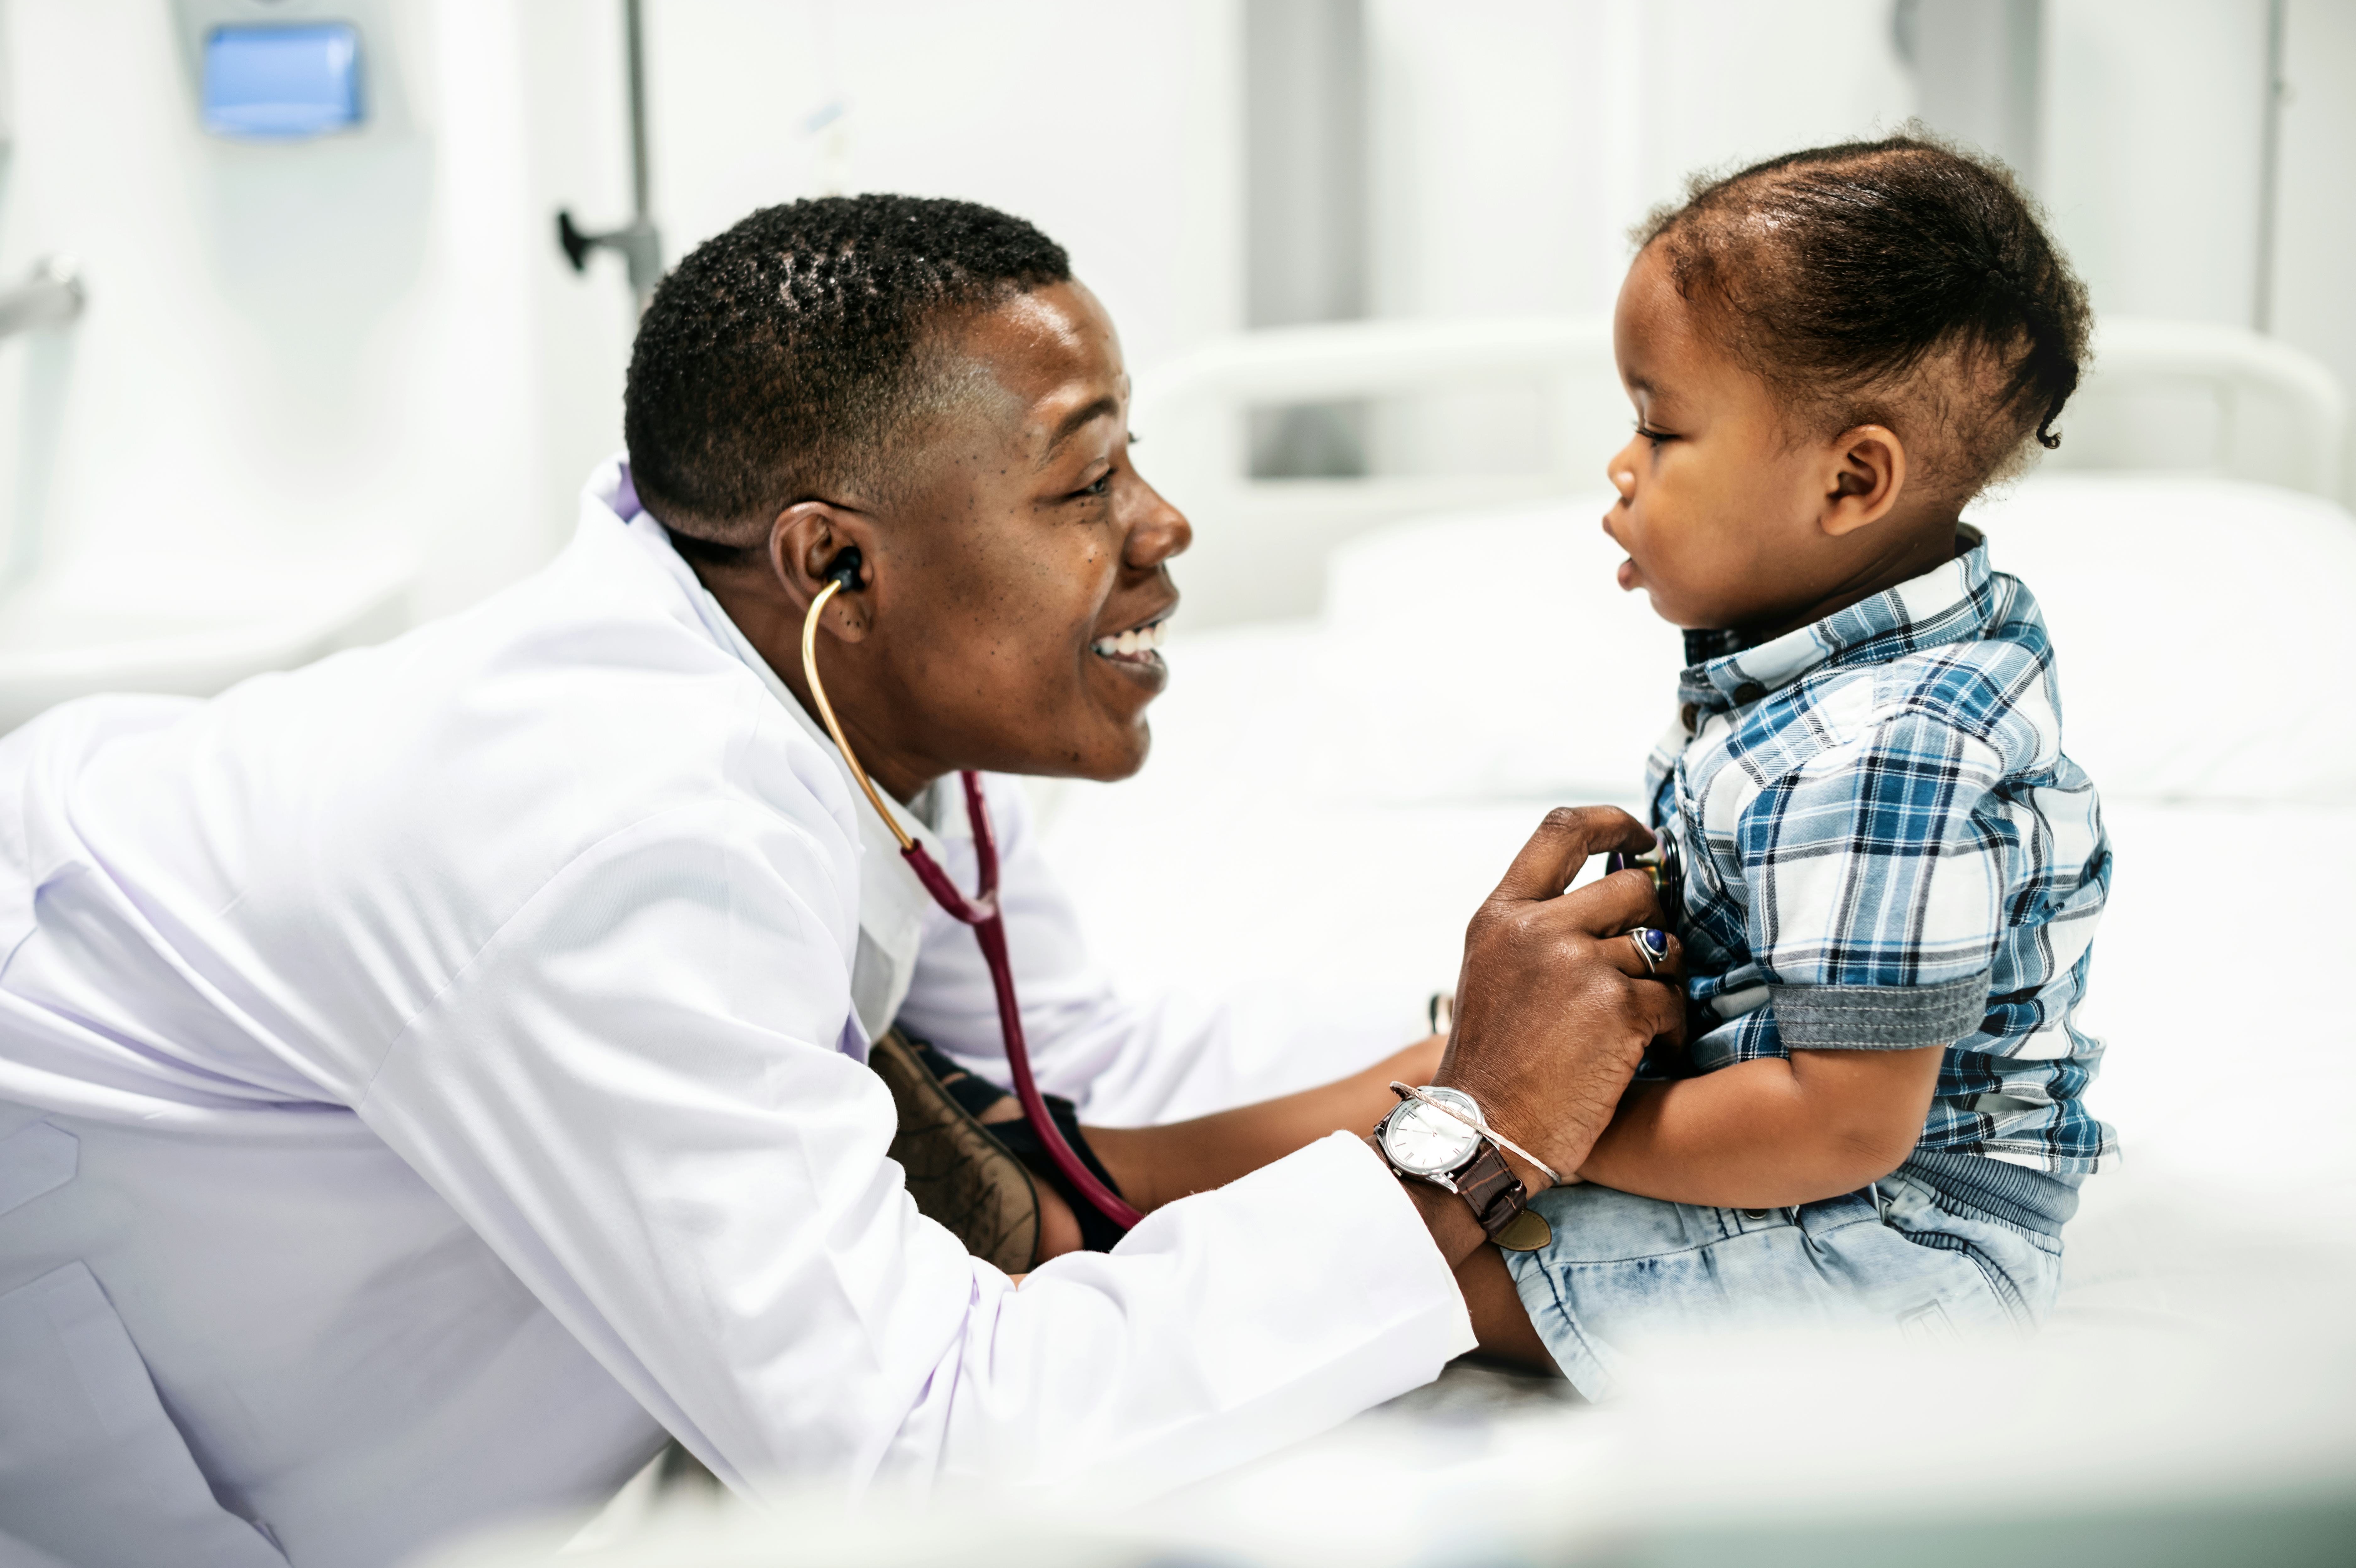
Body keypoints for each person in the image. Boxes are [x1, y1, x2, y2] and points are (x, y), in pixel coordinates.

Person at [0, 195, 1682, 1568]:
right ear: (836, 561)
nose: (1165, 526)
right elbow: (912, 1448)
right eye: (1085, 479)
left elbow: (1092, 1076)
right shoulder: (620, 839)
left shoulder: (832, 689)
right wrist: (1472, 1143)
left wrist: (1502, 1039)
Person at [1486, 139, 2115, 1397]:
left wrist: (1536, 1133)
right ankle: (1106, 1174)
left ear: (1848, 480)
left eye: (1659, 428)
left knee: (1416, 1265)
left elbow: (1837, 1125)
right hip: (1794, 1153)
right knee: (1424, 1128)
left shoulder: (1891, 749)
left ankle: (1087, 1243)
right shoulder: (1847, 648)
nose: (1622, 466)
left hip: (1896, 1246)